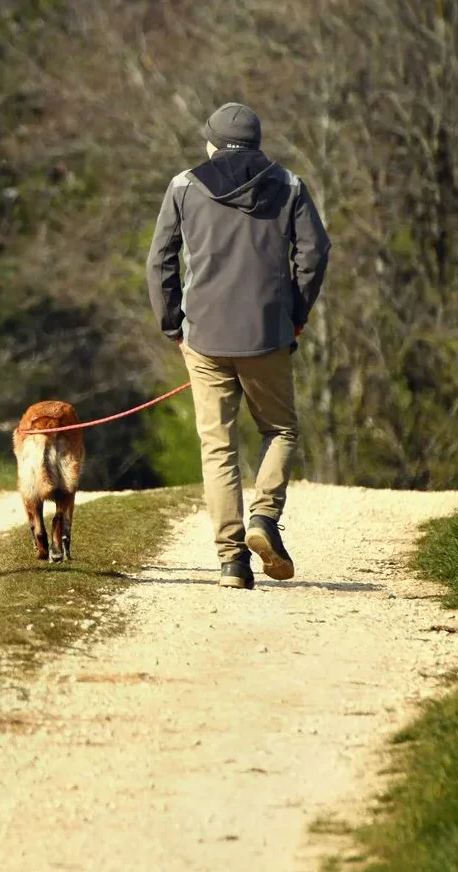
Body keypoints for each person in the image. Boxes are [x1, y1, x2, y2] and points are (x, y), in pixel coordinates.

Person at [146, 103, 330, 589]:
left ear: (211, 142)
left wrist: (172, 326)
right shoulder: (288, 185)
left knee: (218, 447)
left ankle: (231, 562)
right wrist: (295, 314)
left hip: (203, 336)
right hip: (268, 334)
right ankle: (263, 518)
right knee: (281, 430)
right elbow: (315, 252)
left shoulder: (184, 185)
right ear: (256, 142)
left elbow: (160, 260)